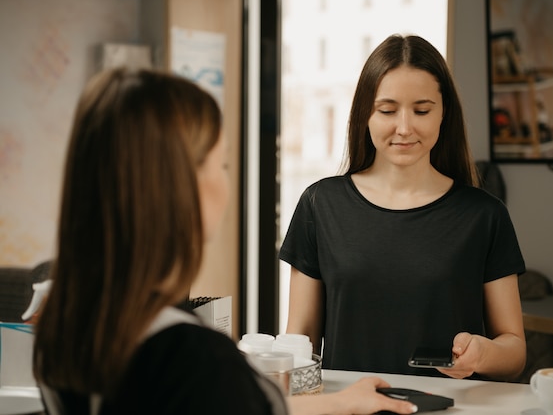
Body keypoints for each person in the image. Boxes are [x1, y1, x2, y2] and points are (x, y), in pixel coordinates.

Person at [32, 68, 417, 415]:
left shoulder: (64, 323)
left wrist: (340, 403)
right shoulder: (193, 358)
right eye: (223, 164)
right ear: (182, 187)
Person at [280, 34, 527, 381]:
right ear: (365, 113)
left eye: (422, 110)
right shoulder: (320, 205)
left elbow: (514, 351)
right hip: (349, 407)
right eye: (387, 110)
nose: (405, 127)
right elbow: (300, 339)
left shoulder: (485, 215)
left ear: (444, 114)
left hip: (449, 406)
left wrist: (483, 354)